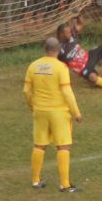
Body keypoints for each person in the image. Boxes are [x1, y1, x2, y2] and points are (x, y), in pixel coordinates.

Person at [23, 37, 83, 192]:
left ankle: (35, 181)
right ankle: (65, 184)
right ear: (58, 50)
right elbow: (67, 92)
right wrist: (76, 112)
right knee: (63, 146)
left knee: (39, 145)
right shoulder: (61, 67)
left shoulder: (33, 66)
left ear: (45, 49)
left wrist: (32, 105)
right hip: (58, 112)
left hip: (40, 111)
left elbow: (26, 91)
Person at [56, 15, 102, 88]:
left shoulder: (71, 35)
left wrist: (78, 15)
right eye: (68, 33)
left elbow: (80, 24)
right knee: (93, 78)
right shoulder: (58, 48)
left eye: (70, 32)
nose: (70, 33)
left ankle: (100, 61)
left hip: (89, 55)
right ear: (61, 34)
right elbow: (54, 63)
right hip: (83, 67)